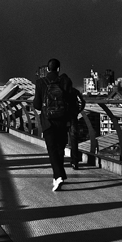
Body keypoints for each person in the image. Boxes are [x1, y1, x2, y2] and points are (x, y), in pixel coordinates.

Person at [33, 58, 73, 191]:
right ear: (59, 69)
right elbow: (71, 102)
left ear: (47, 69)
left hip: (48, 121)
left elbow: (37, 105)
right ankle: (57, 176)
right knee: (60, 148)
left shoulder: (40, 82)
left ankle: (59, 175)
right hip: (62, 120)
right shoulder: (66, 81)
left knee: (52, 148)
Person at [67, 86, 86, 170]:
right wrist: (78, 111)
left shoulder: (60, 89)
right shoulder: (75, 91)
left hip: (61, 117)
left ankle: (59, 161)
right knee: (74, 139)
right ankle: (75, 161)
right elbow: (82, 102)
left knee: (60, 138)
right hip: (73, 117)